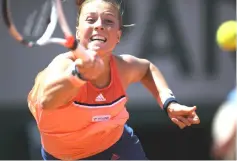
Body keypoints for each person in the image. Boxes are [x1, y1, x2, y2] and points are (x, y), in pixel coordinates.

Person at [27, 0, 200, 160]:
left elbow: (147, 69)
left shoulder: (123, 67)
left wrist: (169, 102)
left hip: (117, 146)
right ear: (78, 32)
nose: (99, 26)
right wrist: (78, 76)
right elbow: (46, 101)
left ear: (118, 36)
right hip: (64, 157)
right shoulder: (62, 65)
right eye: (91, 20)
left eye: (108, 21)